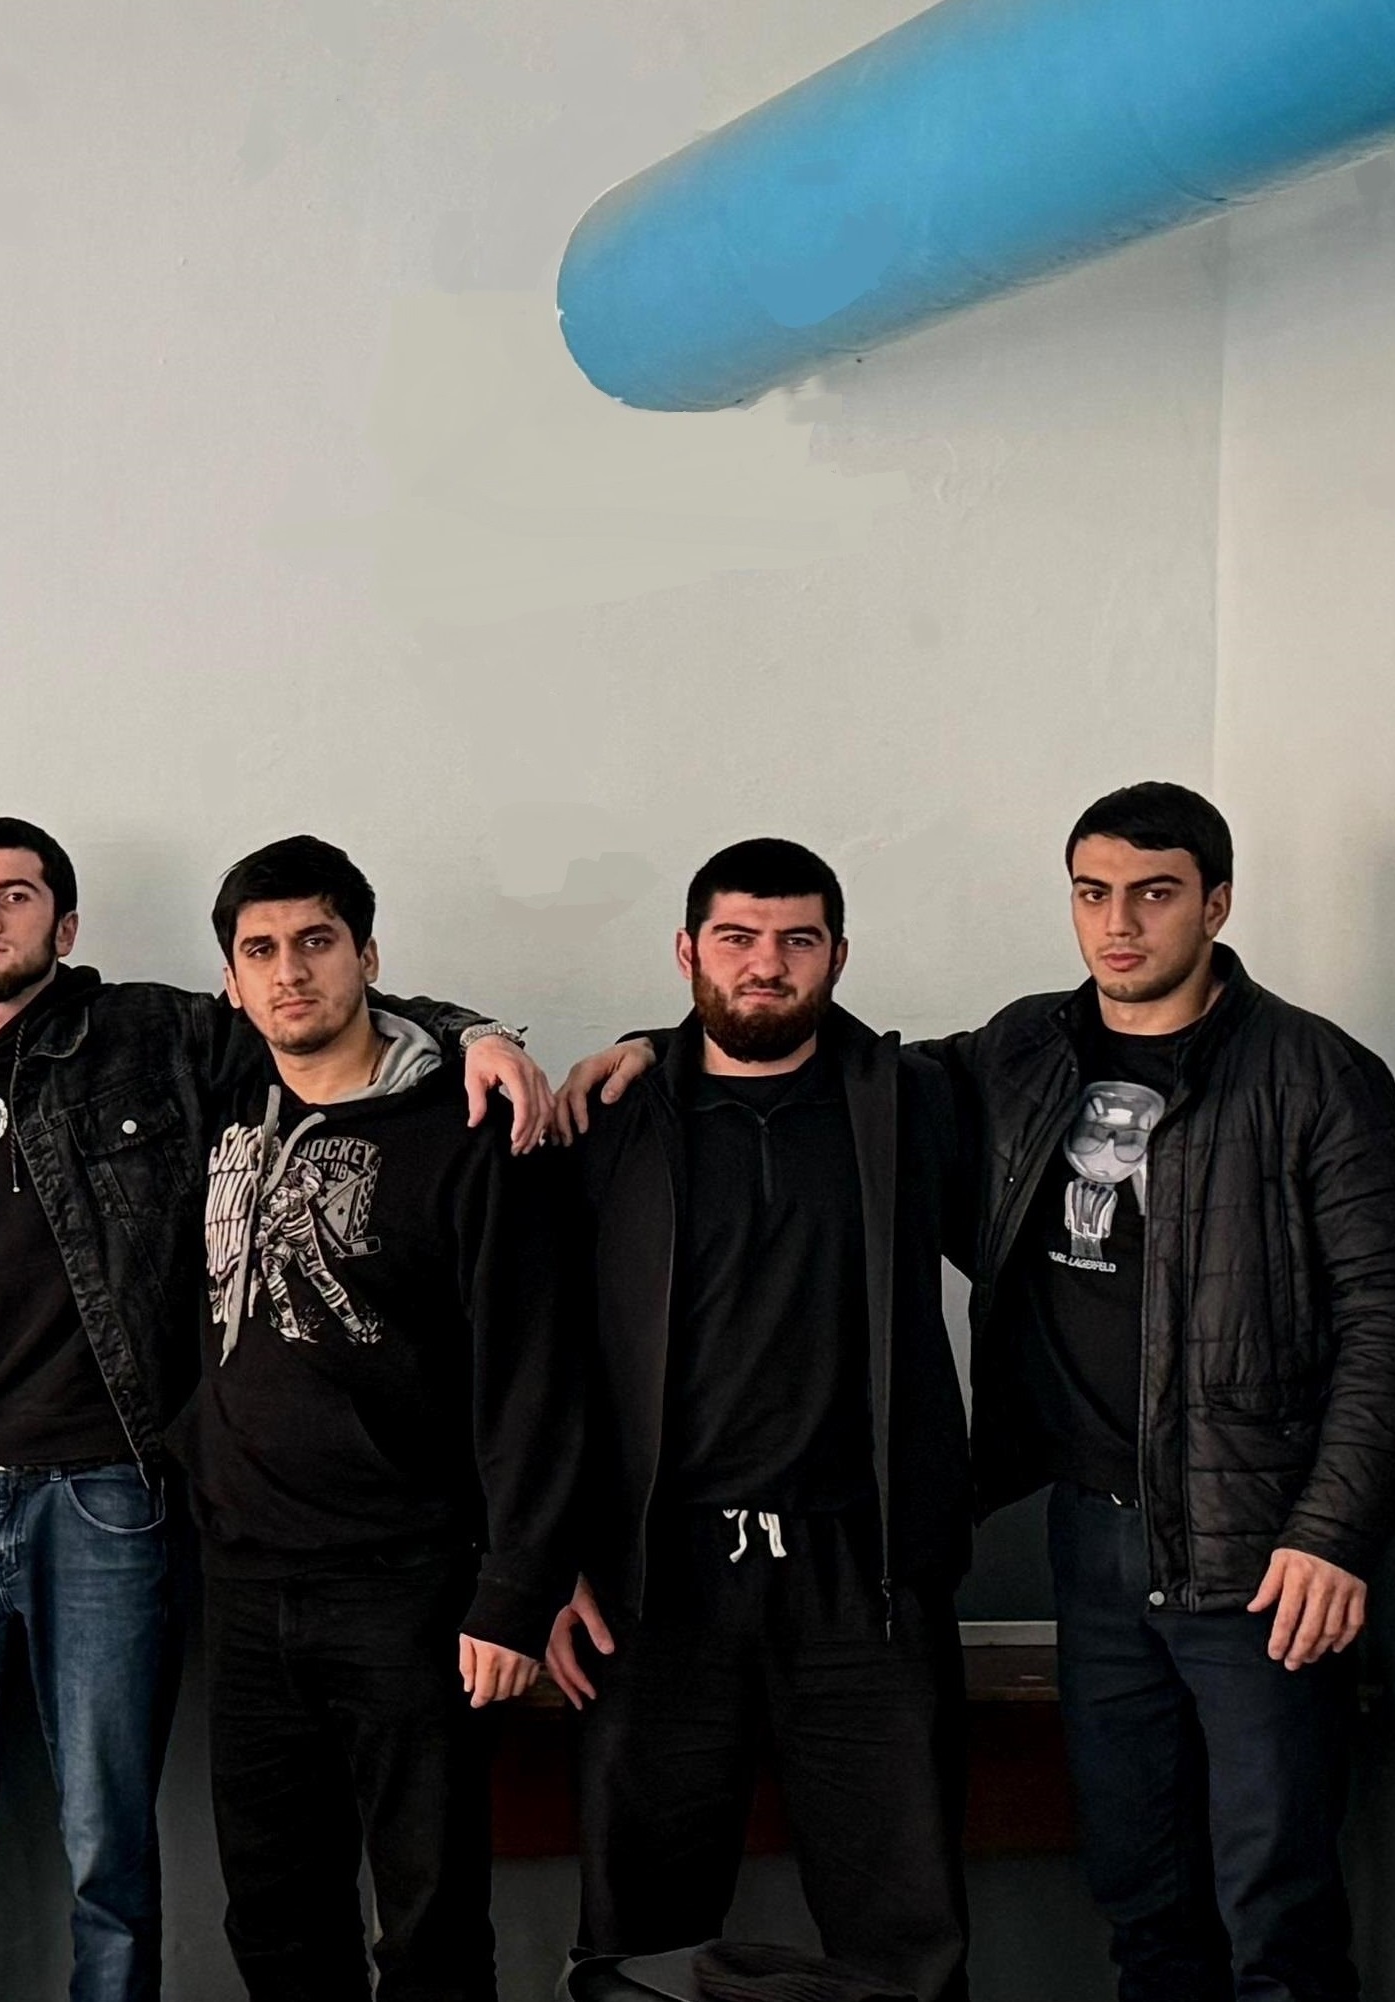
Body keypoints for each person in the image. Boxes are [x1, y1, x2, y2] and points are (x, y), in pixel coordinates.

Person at [562, 782, 1395, 2002]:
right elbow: (786, 1052)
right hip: (1086, 1528)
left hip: (1253, 1544)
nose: (1120, 922)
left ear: (1217, 904)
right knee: (1141, 1897)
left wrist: (1334, 1530)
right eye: (1094, 893)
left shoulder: (1310, 1071)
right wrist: (646, 1048)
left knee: (1275, 1908)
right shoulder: (1026, 1053)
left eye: (1154, 893)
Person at [0, 818, 544, 2002]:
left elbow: (319, 1012)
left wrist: (475, 1031)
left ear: (66, 924)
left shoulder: (153, 1035)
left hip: (118, 1492)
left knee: (116, 1847)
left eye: (17, 895)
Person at [545, 840, 975, 2002]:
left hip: (863, 1575)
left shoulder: (914, 1104)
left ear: (839, 955)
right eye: (736, 938)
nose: (766, 964)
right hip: (659, 1579)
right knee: (638, 1937)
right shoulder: (610, 1121)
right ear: (688, 952)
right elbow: (541, 1353)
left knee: (906, 1933)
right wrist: (547, 1557)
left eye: (797, 940)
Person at [183, 836, 583, 2002]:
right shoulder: (215, 1099)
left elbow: (534, 1370)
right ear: (231, 980)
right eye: (262, 950)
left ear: (367, 955)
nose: (290, 971)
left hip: (408, 1586)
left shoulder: (470, 1130)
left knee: (429, 1921)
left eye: (317, 941)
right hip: (244, 1581)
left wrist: (515, 1591)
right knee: (275, 1914)